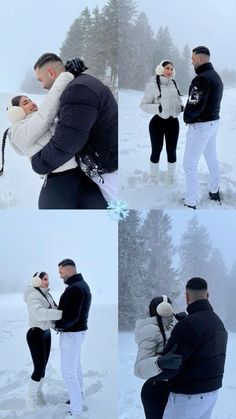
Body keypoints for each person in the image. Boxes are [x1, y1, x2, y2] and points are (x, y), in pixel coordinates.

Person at [1, 59, 108, 209]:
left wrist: (74, 79)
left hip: (82, 177)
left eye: (30, 100)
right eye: (25, 103)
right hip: (57, 185)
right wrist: (67, 75)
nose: (32, 103)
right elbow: (45, 114)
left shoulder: (47, 118)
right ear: (15, 112)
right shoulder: (15, 132)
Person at [31, 53, 118, 206]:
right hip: (101, 164)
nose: (42, 85)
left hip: (107, 173)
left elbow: (67, 142)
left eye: (41, 79)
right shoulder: (79, 84)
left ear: (51, 73)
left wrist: (38, 162)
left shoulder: (77, 90)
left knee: (115, 212)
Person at [155, 277, 228, 419]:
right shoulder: (218, 322)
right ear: (207, 295)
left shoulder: (188, 325)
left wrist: (151, 372)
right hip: (211, 395)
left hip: (187, 398)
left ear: (187, 296)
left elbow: (169, 366)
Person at [183, 46, 224, 209]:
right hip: (213, 123)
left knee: (189, 164)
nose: (191, 61)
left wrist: (187, 117)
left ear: (200, 59)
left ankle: (190, 201)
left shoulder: (201, 79)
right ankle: (214, 191)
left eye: (193, 58)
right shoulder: (216, 76)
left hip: (201, 126)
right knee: (211, 158)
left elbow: (195, 105)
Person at [134, 296, 184, 419]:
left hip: (173, 389)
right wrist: (159, 362)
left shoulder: (172, 327)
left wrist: (185, 324)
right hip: (156, 391)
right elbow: (139, 369)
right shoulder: (149, 330)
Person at [54, 258, 92, 419]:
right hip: (78, 333)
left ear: (68, 271)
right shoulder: (80, 285)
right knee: (75, 367)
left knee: (68, 372)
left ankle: (76, 411)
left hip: (71, 334)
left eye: (61, 272)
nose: (60, 276)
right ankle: (78, 396)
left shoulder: (75, 288)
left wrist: (58, 325)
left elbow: (71, 317)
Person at [23, 271, 62, 409]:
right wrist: (60, 314)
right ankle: (30, 399)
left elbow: (54, 309)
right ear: (37, 281)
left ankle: (38, 393)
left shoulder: (46, 295)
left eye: (48, 279)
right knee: (38, 368)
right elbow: (38, 313)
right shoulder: (33, 295)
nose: (47, 281)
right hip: (35, 334)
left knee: (43, 367)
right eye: (45, 279)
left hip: (46, 333)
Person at [140, 60, 183, 184]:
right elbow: (143, 105)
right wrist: (157, 108)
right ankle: (153, 178)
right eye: (167, 68)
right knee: (156, 150)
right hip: (157, 124)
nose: (169, 71)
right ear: (160, 69)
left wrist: (181, 107)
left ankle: (171, 177)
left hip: (173, 123)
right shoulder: (152, 84)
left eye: (171, 69)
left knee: (172, 150)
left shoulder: (174, 83)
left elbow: (179, 100)